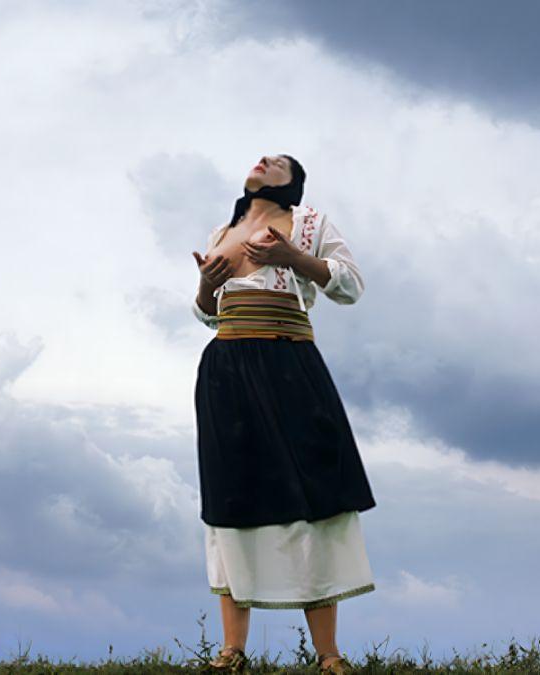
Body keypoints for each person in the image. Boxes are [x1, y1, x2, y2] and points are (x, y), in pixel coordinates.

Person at [190, 153, 376, 674]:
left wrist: (293, 257)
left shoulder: (309, 223)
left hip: (289, 361)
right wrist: (207, 284)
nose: (264, 159)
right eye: (261, 157)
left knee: (312, 491)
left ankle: (329, 655)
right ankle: (232, 652)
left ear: (291, 184)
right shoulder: (221, 231)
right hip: (226, 369)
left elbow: (350, 286)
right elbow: (207, 311)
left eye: (278, 161)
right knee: (233, 492)